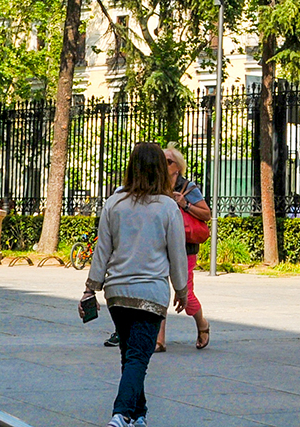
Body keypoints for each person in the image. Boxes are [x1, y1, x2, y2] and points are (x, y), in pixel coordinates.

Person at [83, 142, 188, 427]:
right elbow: (177, 252)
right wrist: (182, 289)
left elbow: (102, 249)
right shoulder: (167, 207)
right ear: (158, 170)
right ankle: (120, 414)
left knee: (130, 355)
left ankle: (138, 415)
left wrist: (91, 286)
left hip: (116, 294)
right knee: (138, 358)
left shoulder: (114, 203)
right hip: (150, 294)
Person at [158, 146, 212, 352]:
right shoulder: (156, 186)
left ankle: (202, 323)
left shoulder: (188, 188)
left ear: (177, 167)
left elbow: (206, 214)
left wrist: (184, 204)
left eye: (168, 161)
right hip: (161, 245)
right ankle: (159, 339)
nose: (164, 164)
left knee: (186, 294)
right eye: (161, 160)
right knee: (160, 291)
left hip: (185, 247)